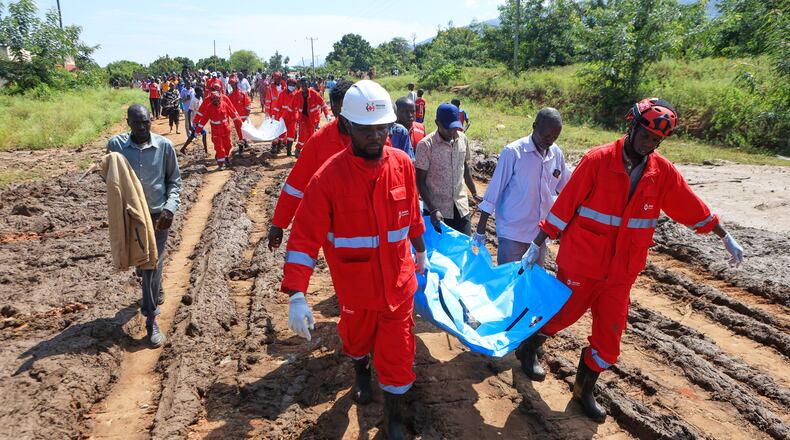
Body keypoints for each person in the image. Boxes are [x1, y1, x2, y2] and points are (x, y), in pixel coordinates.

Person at [519, 98, 745, 423]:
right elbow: (565, 205)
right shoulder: (597, 160)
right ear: (632, 126)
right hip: (583, 262)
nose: (649, 144)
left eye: (656, 140)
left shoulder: (660, 173)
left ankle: (583, 390)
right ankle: (529, 345)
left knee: (609, 340)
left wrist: (723, 234)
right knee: (561, 317)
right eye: (646, 136)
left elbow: (689, 204)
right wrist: (535, 244)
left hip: (621, 272)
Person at [281, 80, 426, 439]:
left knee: (398, 356)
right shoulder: (328, 177)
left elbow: (412, 214)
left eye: (383, 128)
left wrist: (420, 251)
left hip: (398, 284)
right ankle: (361, 369)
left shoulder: (403, 164)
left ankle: (393, 422)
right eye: (366, 129)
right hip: (356, 289)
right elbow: (304, 238)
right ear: (347, 126)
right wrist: (297, 294)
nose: (376, 137)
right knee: (356, 341)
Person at [106, 104, 181, 347]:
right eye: (136, 123)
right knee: (142, 261)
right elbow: (109, 175)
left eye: (145, 122)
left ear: (151, 120)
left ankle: (151, 318)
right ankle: (152, 285)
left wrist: (170, 208)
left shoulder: (165, 147)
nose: (141, 127)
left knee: (152, 264)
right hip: (131, 217)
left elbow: (175, 182)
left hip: (158, 216)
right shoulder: (116, 147)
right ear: (128, 123)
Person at [473, 108, 568, 266]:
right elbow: (494, 191)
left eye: (555, 136)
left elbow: (566, 189)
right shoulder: (514, 153)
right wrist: (481, 227)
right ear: (534, 126)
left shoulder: (556, 154)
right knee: (510, 282)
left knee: (532, 284)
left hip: (539, 237)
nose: (550, 140)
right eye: (547, 135)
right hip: (513, 233)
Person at [267, 80, 355, 250]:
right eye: (345, 108)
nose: (351, 116)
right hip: (336, 229)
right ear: (335, 108)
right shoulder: (320, 142)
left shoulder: (375, 139)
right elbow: (296, 185)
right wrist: (278, 223)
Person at [415, 103, 481, 236]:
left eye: (455, 127)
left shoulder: (463, 139)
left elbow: (465, 168)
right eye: (447, 128)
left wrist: (474, 193)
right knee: (440, 254)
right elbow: (420, 181)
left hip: (461, 207)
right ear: (437, 123)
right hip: (437, 212)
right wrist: (433, 210)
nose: (451, 132)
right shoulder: (426, 146)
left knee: (463, 249)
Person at [192, 84, 244, 170]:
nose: (216, 101)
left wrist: (240, 123)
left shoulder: (225, 101)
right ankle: (221, 163)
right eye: (212, 89)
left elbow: (233, 112)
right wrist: (196, 126)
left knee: (228, 145)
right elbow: (202, 115)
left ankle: (225, 156)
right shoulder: (208, 103)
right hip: (215, 129)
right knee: (219, 147)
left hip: (225, 127)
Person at [290, 76, 330, 157]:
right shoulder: (297, 95)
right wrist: (292, 118)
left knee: (311, 135)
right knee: (303, 133)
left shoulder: (314, 94)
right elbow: (292, 106)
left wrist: (327, 114)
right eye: (302, 85)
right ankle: (298, 149)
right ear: (300, 85)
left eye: (305, 85)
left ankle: (308, 151)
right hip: (303, 118)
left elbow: (323, 104)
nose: (304, 87)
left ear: (308, 85)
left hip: (312, 119)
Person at [274, 77, 300, 156]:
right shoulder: (282, 93)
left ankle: (289, 152)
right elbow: (278, 106)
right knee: (281, 133)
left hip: (293, 118)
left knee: (291, 134)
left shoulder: (297, 94)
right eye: (290, 84)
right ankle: (278, 148)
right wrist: (274, 116)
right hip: (283, 117)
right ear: (287, 84)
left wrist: (299, 118)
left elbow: (299, 107)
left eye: (293, 85)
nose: (291, 86)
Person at [228, 76, 252, 155]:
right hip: (236, 118)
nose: (232, 86)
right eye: (231, 85)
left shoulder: (243, 93)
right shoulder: (230, 96)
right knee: (239, 132)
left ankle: (241, 148)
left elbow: (248, 104)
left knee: (243, 131)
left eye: (233, 84)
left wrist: (248, 116)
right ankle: (244, 143)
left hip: (244, 117)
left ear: (236, 84)